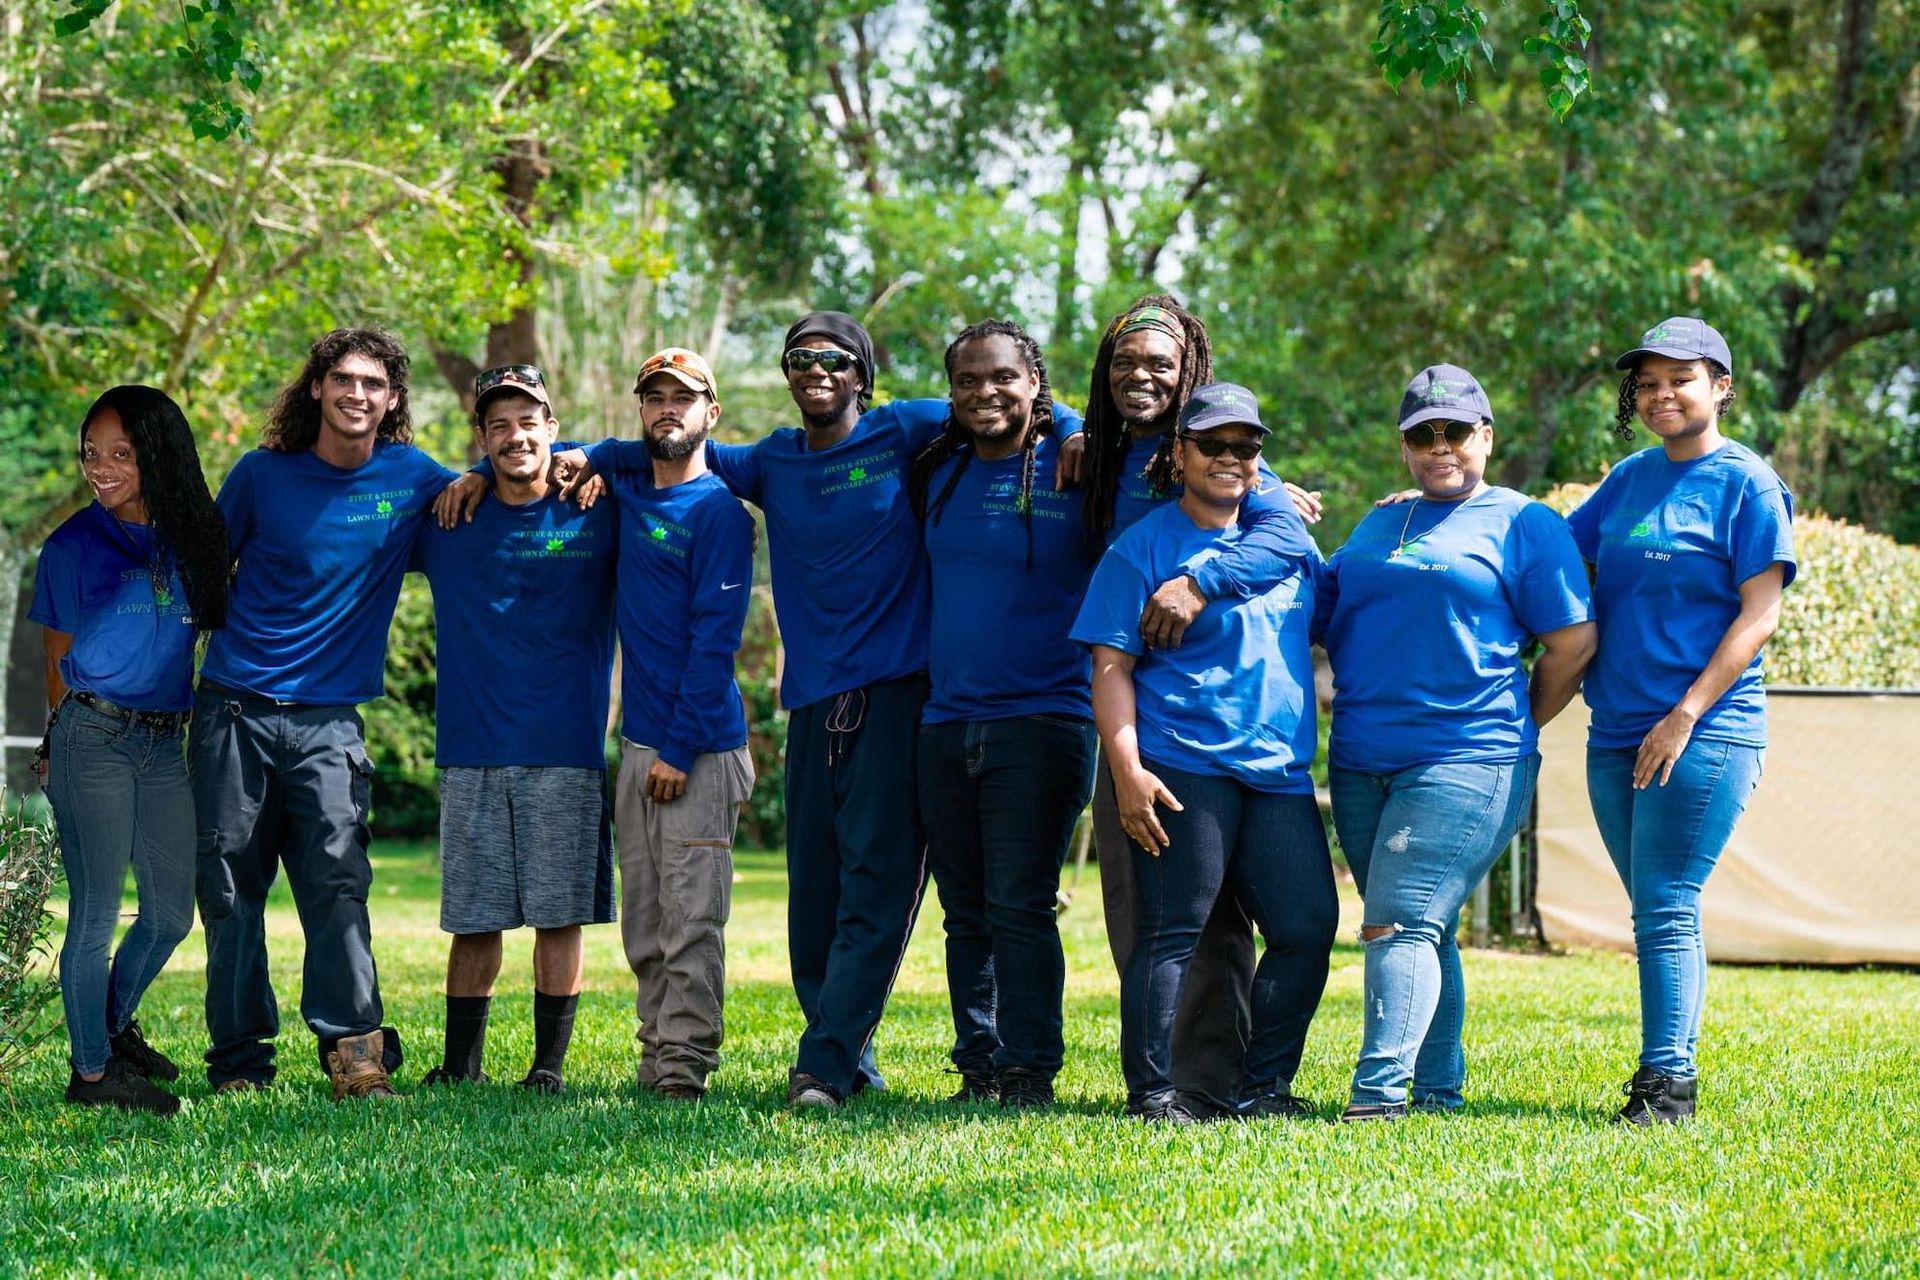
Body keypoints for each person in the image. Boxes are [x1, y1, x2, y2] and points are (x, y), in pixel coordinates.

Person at [564, 313, 1086, 1110]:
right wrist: (593, 455)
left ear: (861, 374)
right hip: (811, 704)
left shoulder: (903, 429)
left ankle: (825, 1065)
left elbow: (1009, 401)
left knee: (878, 888)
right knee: (813, 899)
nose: (817, 370)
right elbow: (673, 446)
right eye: (800, 359)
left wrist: (1077, 428)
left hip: (899, 698)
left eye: (834, 360)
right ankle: (850, 1051)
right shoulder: (771, 461)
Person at [192, 328, 484, 1100]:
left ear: (392, 402)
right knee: (228, 891)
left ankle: (355, 1052)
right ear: (317, 387)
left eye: (375, 384)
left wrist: (543, 467)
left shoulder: (411, 477)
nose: (359, 394)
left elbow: (493, 481)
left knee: (338, 884)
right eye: (344, 380)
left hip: (329, 723)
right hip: (234, 710)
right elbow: (200, 572)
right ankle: (240, 1062)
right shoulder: (261, 474)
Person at [1318, 365, 1595, 1122]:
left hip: (1469, 757)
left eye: (1456, 431)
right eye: (1422, 434)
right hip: (1360, 757)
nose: (1440, 446)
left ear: (1487, 437)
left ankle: (1376, 1101)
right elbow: (1324, 603)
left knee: (1397, 920)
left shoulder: (1523, 523)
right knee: (1422, 926)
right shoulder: (1382, 521)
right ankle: (1439, 1093)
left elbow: (1571, 643)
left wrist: (1516, 724)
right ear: (1404, 445)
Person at [1076, 295, 1320, 1118]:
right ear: (1180, 452)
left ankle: (1260, 1088)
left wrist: (1202, 581)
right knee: (1173, 930)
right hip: (1180, 755)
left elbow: (1312, 572)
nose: (1228, 457)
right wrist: (1128, 768)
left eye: (1243, 446)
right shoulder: (1132, 526)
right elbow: (1109, 662)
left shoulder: (1274, 512)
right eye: (1211, 444)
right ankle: (1157, 1092)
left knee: (1303, 924)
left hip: (1278, 768)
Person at [1567, 318, 1794, 1125]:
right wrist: (1435, 509)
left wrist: (1685, 715)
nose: (1662, 394)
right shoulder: (1630, 478)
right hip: (1614, 728)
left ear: (1721, 387)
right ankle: (1668, 1072)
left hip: (1704, 729)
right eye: (1649, 383)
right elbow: (1551, 552)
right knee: (1659, 909)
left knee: (1665, 902)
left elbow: (1758, 616)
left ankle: (1667, 1088)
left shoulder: (1748, 484)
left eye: (1681, 379)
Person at [411, 364, 617, 1095]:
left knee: (559, 917)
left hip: (564, 748)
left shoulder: (595, 506)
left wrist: (593, 459)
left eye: (528, 421)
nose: (515, 436)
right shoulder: (448, 517)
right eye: (497, 425)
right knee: (475, 917)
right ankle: (461, 1065)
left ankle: (547, 1066)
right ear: (482, 437)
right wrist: (468, 476)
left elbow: (656, 454)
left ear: (552, 429)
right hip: (471, 749)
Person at [907, 320, 1097, 1109]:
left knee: (1020, 902)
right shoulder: (937, 468)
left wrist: (1081, 424)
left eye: (1004, 378)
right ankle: (978, 1064)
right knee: (964, 911)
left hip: (1046, 719)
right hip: (946, 723)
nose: (986, 392)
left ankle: (1028, 1071)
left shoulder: (1079, 465)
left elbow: (1199, 465)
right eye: (968, 381)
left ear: (1036, 383)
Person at [32, 386, 229, 1114]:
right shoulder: (71, 546)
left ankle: (110, 1028)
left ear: (158, 455)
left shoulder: (193, 535)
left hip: (161, 743)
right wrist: (58, 749)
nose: (101, 468)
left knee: (172, 913)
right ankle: (91, 1076)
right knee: (94, 915)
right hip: (94, 737)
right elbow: (58, 662)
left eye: (121, 454)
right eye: (91, 454)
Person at [596, 348, 757, 1101]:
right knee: (646, 921)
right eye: (655, 397)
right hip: (637, 747)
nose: (669, 409)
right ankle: (654, 1053)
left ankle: (685, 1069)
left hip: (696, 750)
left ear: (710, 415)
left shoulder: (720, 512)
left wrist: (680, 749)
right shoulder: (627, 486)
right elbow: (596, 455)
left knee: (692, 919)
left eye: (684, 399)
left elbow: (714, 640)